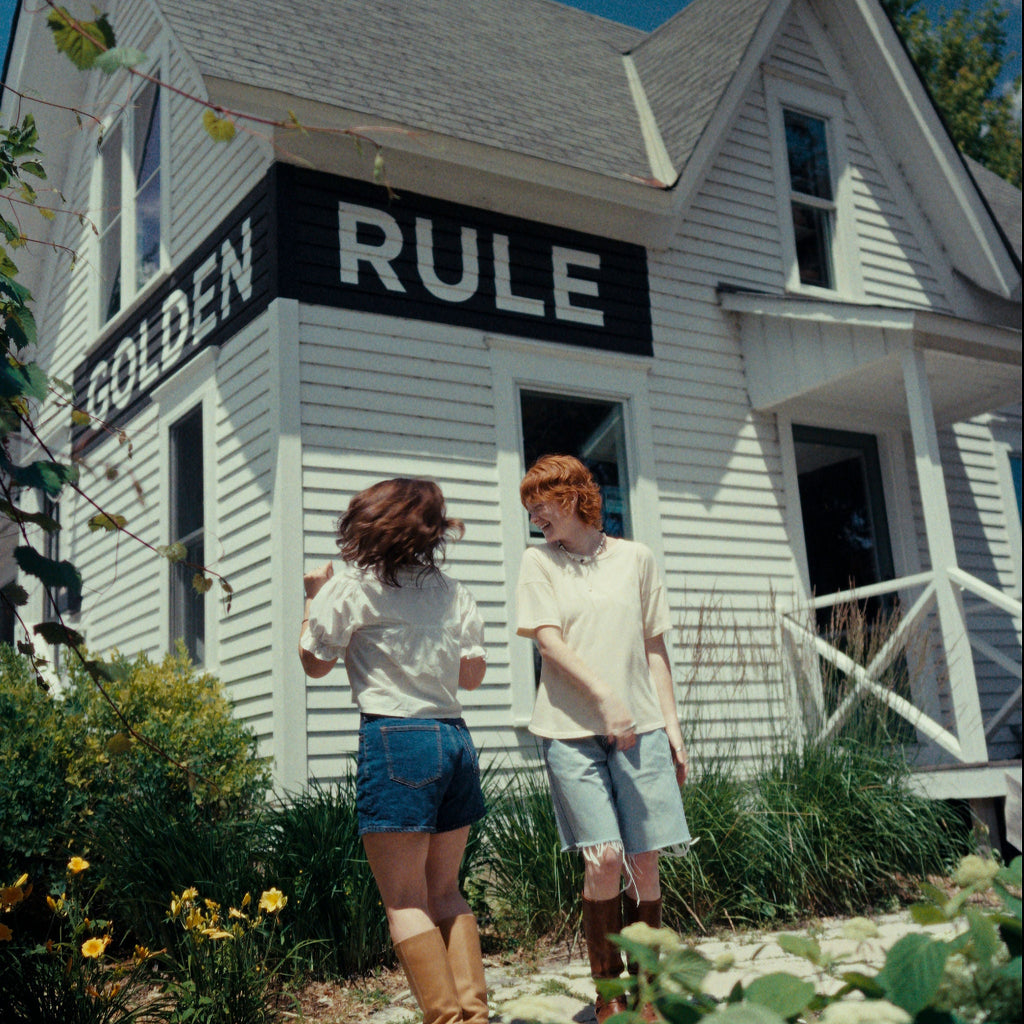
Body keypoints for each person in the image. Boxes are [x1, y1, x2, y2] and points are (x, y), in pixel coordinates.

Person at [299, 478, 489, 1024]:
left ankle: (448, 1020)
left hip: (397, 740)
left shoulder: (350, 587)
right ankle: (473, 1017)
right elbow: (472, 677)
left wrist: (314, 596)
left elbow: (314, 663)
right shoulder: (453, 591)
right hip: (454, 738)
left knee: (405, 901)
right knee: (447, 892)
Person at [515, 454, 691, 1024]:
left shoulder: (636, 558)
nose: (536, 514)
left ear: (574, 496)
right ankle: (608, 993)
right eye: (529, 505)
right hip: (569, 733)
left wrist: (673, 727)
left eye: (543, 501)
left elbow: (655, 649)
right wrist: (605, 698)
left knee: (645, 861)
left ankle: (647, 995)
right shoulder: (538, 562)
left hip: (641, 729)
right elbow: (548, 643)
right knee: (605, 858)